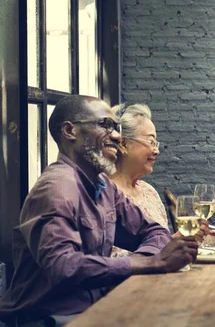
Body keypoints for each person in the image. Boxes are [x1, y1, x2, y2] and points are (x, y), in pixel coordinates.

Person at [0, 95, 199, 325]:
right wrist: (151, 262)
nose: (116, 136)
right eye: (105, 125)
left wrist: (145, 260)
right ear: (69, 131)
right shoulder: (56, 188)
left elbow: (154, 231)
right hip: (50, 319)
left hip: (99, 309)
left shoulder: (103, 187)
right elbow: (64, 267)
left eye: (116, 127)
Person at [108, 103, 206, 257]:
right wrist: (173, 242)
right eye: (151, 142)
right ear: (123, 143)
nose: (156, 150)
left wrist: (179, 241)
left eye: (156, 143)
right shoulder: (105, 194)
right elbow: (109, 257)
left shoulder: (149, 191)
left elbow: (161, 241)